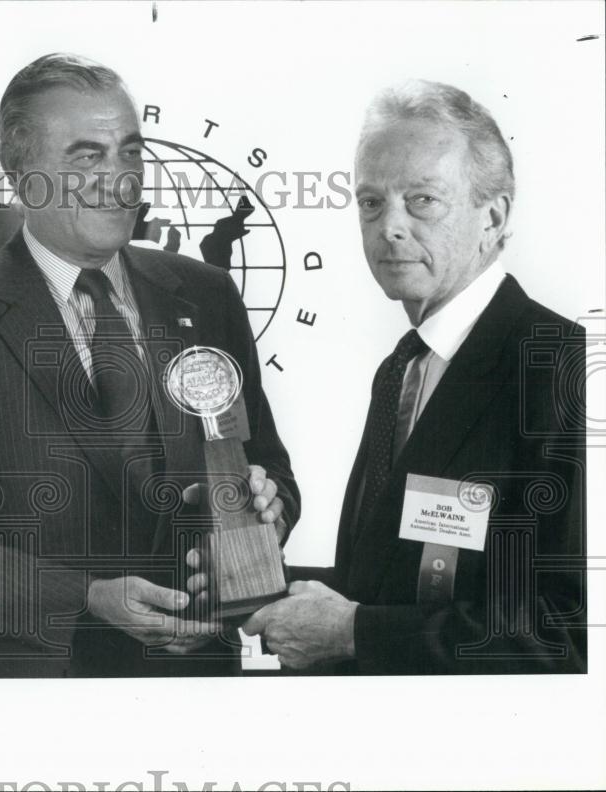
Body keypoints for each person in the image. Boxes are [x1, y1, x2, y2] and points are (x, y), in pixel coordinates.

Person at [0, 53, 300, 677]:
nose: (121, 179)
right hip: (34, 693)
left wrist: (265, 509)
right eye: (87, 156)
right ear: (22, 175)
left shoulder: (207, 295)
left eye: (131, 153)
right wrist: (84, 601)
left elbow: (273, 473)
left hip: (198, 682)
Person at [230, 80, 586, 674]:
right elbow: (389, 578)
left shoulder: (563, 368)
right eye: (372, 202)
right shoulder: (401, 370)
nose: (389, 226)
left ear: (492, 217)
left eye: (422, 200)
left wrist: (353, 634)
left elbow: (573, 633)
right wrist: (246, 586)